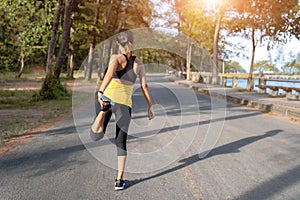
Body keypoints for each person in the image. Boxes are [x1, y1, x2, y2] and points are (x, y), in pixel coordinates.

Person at [90, 29, 154, 190]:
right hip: (124, 104)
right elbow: (144, 86)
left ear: (119, 43)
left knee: (96, 136)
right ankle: (119, 180)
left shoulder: (116, 58)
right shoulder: (139, 64)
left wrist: (100, 92)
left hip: (107, 97)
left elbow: (110, 74)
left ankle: (103, 111)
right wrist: (150, 106)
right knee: (121, 142)